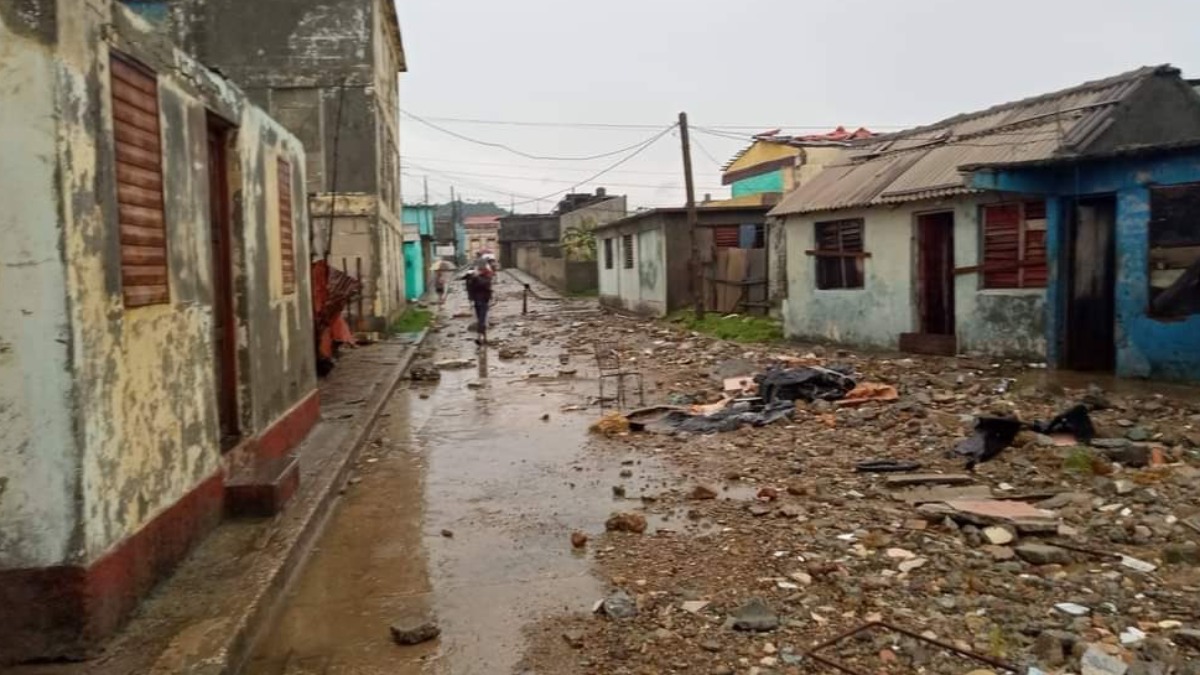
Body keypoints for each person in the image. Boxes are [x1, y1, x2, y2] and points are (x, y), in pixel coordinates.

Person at [464, 258, 495, 345]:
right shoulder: (473, 275)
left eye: (481, 268)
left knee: (482, 317)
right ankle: (483, 335)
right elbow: (470, 287)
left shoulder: (487, 275)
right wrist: (470, 279)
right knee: (479, 317)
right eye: (479, 268)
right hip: (476, 299)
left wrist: (477, 277)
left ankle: (480, 336)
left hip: (484, 299)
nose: (480, 269)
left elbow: (485, 285)